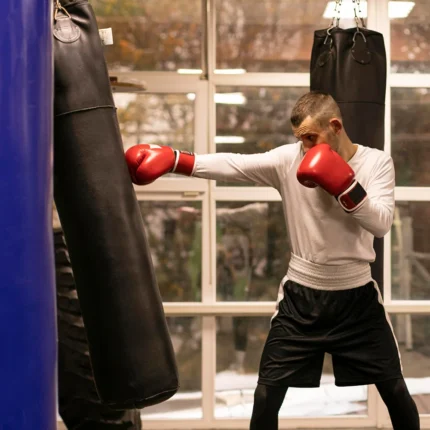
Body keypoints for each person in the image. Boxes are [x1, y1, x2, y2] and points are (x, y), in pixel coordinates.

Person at [124, 91, 420, 430]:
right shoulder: (288, 159)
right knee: (266, 395)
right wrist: (176, 160)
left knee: (395, 390)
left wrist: (345, 186)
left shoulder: (376, 163)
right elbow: (235, 164)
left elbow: (381, 224)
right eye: (300, 139)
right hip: (301, 299)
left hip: (357, 299)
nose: (305, 147)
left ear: (335, 126)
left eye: (311, 137)